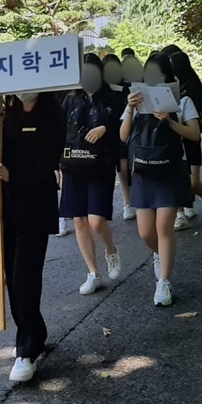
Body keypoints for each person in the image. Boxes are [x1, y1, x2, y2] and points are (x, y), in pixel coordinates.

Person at [0, 91, 66, 383]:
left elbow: (48, 162)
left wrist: (14, 175)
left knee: (25, 276)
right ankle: (32, 333)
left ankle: (27, 350)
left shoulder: (53, 114)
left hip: (36, 207)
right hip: (5, 208)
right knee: (11, 275)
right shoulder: (8, 113)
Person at [120, 52, 201, 307]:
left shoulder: (182, 100)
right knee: (145, 232)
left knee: (163, 227)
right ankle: (158, 255)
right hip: (144, 171)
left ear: (167, 75)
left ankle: (164, 282)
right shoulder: (136, 99)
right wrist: (131, 108)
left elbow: (194, 135)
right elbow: (122, 137)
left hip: (170, 170)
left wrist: (169, 121)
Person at [60, 54, 123, 295]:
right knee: (79, 220)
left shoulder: (114, 98)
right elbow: (57, 131)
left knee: (96, 220)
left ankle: (110, 250)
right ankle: (93, 272)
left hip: (100, 164)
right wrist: (57, 166)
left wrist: (105, 127)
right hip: (72, 165)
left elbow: (125, 128)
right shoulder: (69, 99)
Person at [170, 51, 202, 226]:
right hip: (174, 141)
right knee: (175, 179)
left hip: (191, 140)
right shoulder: (168, 87)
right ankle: (180, 215)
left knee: (193, 182)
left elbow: (196, 123)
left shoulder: (194, 88)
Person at [103, 54, 135, 220]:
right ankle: (127, 202)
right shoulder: (101, 90)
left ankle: (132, 200)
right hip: (107, 133)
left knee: (126, 166)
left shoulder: (126, 88)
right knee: (120, 168)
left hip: (125, 131)